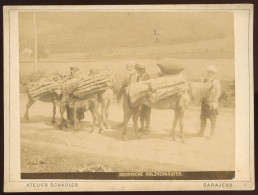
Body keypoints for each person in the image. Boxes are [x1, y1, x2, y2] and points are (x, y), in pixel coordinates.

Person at [197, 65, 221, 138]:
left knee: (212, 118)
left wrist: (213, 101)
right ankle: (201, 132)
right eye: (208, 72)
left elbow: (218, 92)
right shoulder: (204, 80)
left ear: (214, 74)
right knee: (203, 117)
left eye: (211, 73)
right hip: (204, 102)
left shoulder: (216, 82)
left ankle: (212, 133)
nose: (209, 74)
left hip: (212, 103)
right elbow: (201, 89)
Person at [134, 63, 151, 131]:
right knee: (140, 112)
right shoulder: (138, 77)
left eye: (137, 71)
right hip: (140, 97)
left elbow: (149, 85)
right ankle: (142, 127)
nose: (137, 72)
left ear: (142, 71)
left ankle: (147, 127)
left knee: (146, 112)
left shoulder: (147, 76)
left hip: (147, 97)